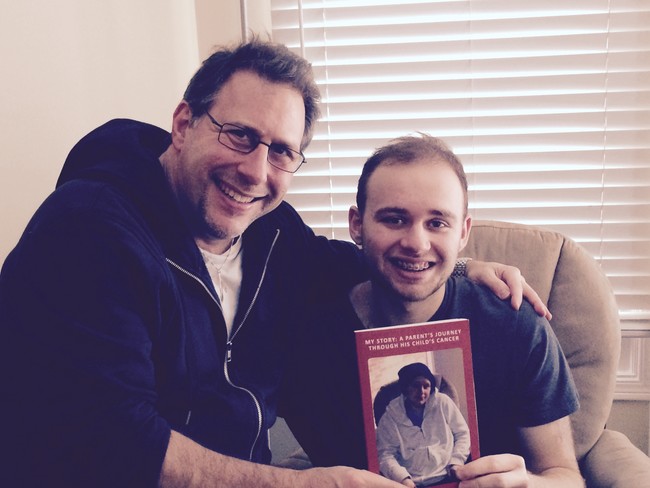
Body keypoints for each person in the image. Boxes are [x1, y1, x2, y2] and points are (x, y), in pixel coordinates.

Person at [0, 38, 548, 488]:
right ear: (184, 123)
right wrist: (312, 484)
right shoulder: (85, 232)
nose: (256, 171)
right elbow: (114, 442)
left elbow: (362, 259)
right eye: (239, 135)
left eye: (282, 150)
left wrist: (456, 266)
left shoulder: (273, 236)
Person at [281, 134, 584, 487]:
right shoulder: (307, 339)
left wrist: (528, 484)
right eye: (394, 219)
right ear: (356, 225)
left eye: (437, 223)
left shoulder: (517, 326)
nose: (416, 243)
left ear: (463, 232)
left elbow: (565, 477)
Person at [376, 362, 471, 487]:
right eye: (415, 386)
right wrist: (403, 479)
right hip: (411, 482)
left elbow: (462, 434)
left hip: (448, 474)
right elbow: (385, 454)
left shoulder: (443, 402)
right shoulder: (390, 417)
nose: (421, 391)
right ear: (405, 388)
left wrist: (456, 463)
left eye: (426, 386)